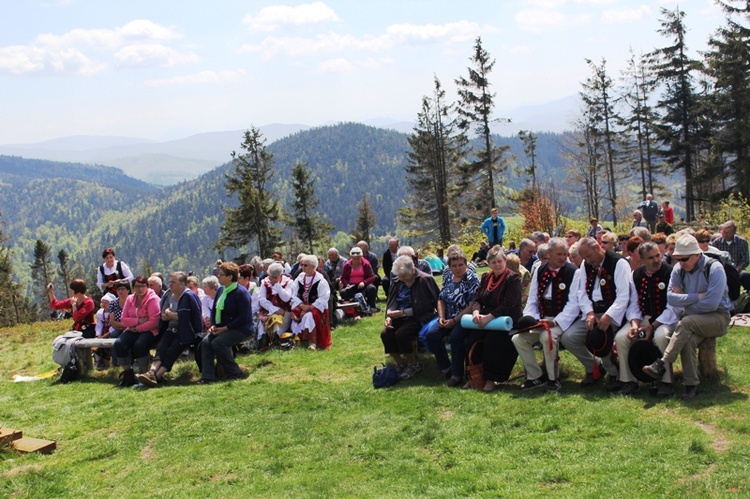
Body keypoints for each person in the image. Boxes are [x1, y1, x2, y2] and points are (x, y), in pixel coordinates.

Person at [642, 234, 733, 400]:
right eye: (679, 258)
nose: (682, 262)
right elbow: (671, 298)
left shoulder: (715, 269)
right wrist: (697, 296)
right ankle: (692, 385)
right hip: (694, 318)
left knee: (686, 322)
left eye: (685, 258)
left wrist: (685, 301)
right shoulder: (679, 269)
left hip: (718, 317)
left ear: (697, 255)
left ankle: (662, 363)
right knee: (687, 339)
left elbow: (712, 304)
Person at [561, 237, 631, 388]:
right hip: (594, 311)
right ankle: (593, 367)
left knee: (600, 336)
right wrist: (589, 312)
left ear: (598, 247)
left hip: (615, 312)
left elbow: (624, 295)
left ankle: (614, 373)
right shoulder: (586, 265)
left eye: (589, 256)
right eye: (584, 257)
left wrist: (609, 315)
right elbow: (582, 293)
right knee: (569, 338)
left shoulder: (619, 263)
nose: (587, 260)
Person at [513, 237, 582, 392]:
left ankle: (553, 379)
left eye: (565, 254)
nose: (563, 258)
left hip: (563, 320)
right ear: (549, 253)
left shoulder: (574, 272)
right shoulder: (540, 270)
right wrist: (531, 318)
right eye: (559, 254)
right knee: (518, 339)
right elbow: (532, 299)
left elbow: (573, 304)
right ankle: (535, 376)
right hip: (542, 318)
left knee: (547, 337)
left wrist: (555, 322)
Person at [613, 242, 677, 396]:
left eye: (657, 256)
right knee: (621, 337)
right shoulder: (637, 274)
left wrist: (653, 326)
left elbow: (674, 307)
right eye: (650, 258)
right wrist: (634, 324)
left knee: (661, 337)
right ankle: (628, 381)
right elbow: (634, 303)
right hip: (643, 318)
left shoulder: (671, 272)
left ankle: (666, 382)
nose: (656, 260)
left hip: (666, 318)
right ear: (641, 260)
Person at [458, 246, 523, 392]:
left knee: (491, 342)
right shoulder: (486, 278)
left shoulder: (513, 278)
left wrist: (489, 317)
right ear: (489, 264)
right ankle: (474, 377)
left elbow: (509, 304)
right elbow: (478, 299)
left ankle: (491, 379)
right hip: (486, 319)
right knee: (471, 341)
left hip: (507, 320)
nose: (497, 265)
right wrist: (476, 312)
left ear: (505, 261)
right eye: (493, 262)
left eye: (500, 261)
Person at [137, 272, 203, 388]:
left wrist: (170, 313)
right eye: (170, 282)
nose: (170, 284)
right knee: (161, 348)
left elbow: (185, 317)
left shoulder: (188, 296)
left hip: (186, 331)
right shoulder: (168, 295)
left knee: (172, 351)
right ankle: (151, 373)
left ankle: (157, 377)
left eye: (173, 282)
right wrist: (171, 314)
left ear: (182, 284)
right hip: (171, 328)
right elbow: (162, 315)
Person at [424, 250, 480, 386]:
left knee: (456, 337)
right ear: (449, 267)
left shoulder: (472, 279)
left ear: (466, 265)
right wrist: (441, 317)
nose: (458, 268)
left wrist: (454, 321)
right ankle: (445, 367)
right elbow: (441, 299)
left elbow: (471, 305)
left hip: (464, 318)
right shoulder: (449, 277)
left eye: (461, 265)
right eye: (454, 266)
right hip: (447, 316)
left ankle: (457, 374)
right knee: (431, 334)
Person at [382, 255, 439, 380]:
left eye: (405, 277)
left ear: (413, 270)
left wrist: (404, 313)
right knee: (386, 333)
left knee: (401, 334)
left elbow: (431, 304)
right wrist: (389, 316)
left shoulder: (425, 279)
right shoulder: (398, 282)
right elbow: (392, 301)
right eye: (400, 277)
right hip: (399, 315)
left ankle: (413, 364)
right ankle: (400, 362)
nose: (402, 279)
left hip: (419, 317)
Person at [200, 262, 253, 383]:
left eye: (221, 274)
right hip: (221, 327)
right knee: (206, 342)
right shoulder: (220, 291)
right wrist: (213, 325)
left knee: (219, 343)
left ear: (230, 277)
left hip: (241, 328)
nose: (218, 276)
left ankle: (234, 372)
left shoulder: (241, 293)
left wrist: (225, 328)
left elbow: (243, 318)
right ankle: (208, 377)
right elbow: (214, 310)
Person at [113, 276, 161, 387]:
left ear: (147, 287)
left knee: (139, 345)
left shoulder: (153, 299)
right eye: (137, 286)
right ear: (133, 288)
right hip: (132, 329)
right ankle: (128, 374)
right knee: (119, 344)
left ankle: (144, 375)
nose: (140, 289)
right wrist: (138, 320)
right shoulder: (130, 299)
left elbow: (154, 322)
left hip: (150, 330)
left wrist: (137, 327)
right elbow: (124, 319)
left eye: (143, 286)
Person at [290, 254, 331, 350]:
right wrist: (301, 305)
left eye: (305, 265)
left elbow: (324, 297)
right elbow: (293, 294)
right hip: (302, 306)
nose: (302, 267)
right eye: (302, 265)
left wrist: (310, 307)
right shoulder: (299, 278)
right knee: (292, 315)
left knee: (309, 316)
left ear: (313, 267)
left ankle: (313, 342)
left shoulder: (320, 280)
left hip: (316, 308)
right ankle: (298, 338)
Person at [257, 262, 294, 346]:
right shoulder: (265, 282)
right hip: (269, 310)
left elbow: (286, 298)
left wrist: (278, 285)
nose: (271, 278)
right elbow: (262, 299)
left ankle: (275, 339)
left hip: (284, 311)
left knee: (276, 321)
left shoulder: (289, 282)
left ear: (281, 275)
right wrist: (274, 309)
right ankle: (263, 341)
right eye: (270, 276)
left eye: (274, 277)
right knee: (262, 321)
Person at [340, 246, 378, 311]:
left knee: (372, 288)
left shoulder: (366, 264)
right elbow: (343, 278)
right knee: (344, 292)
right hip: (352, 286)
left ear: (361, 257)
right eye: (354, 259)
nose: (356, 260)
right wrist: (347, 284)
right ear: (351, 258)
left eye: (358, 258)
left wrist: (364, 282)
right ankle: (349, 309)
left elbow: (372, 276)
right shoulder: (347, 265)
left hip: (364, 285)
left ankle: (371, 306)